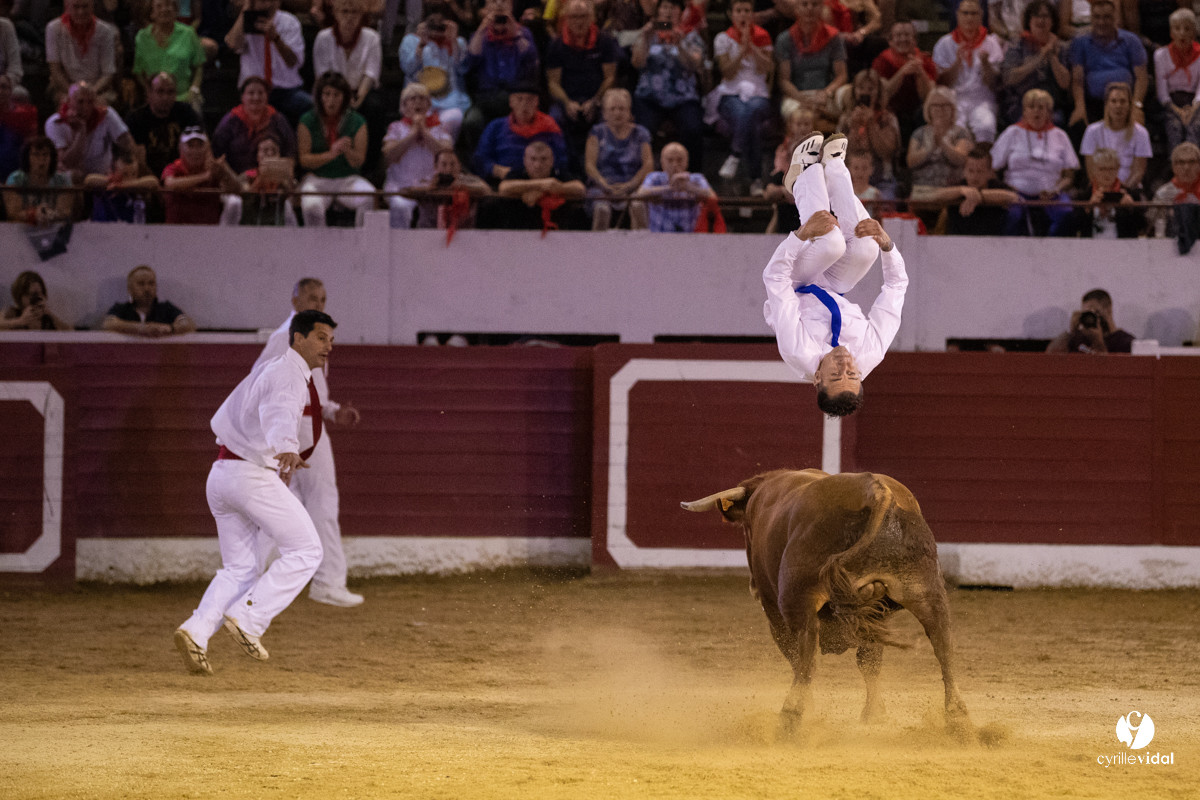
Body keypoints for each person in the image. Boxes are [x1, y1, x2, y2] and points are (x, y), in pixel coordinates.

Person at [173, 309, 338, 675]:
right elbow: (278, 411)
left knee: (241, 568)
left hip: (222, 474)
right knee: (308, 550)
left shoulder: (272, 368)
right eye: (321, 337)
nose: (329, 346)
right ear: (298, 338)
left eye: (331, 339)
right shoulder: (287, 373)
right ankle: (249, 619)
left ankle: (196, 631)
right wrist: (286, 447)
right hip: (250, 476)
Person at [763, 131, 907, 417]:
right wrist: (888, 245)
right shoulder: (870, 353)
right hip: (833, 287)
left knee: (831, 242)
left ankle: (804, 172)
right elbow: (896, 286)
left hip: (795, 283)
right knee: (868, 247)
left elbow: (775, 279)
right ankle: (835, 167)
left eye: (835, 375)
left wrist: (801, 234)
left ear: (817, 378)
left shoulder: (798, 351)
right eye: (853, 375)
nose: (845, 366)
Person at [251, 280, 363, 608]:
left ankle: (245, 578)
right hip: (296, 428)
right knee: (320, 501)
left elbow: (312, 392)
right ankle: (328, 581)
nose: (320, 303)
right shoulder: (284, 338)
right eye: (313, 298)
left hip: (302, 424)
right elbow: (261, 385)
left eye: (324, 299)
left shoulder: (309, 337)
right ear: (295, 299)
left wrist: (332, 412)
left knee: (283, 507)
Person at [991, 88, 1079, 236]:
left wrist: (1056, 189)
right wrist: (1007, 189)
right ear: (1024, 111)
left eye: (1041, 107)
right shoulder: (1012, 132)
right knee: (1011, 216)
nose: (1036, 111)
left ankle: (1053, 253)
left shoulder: (1060, 135)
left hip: (1051, 194)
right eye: (1031, 107)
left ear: (1048, 112)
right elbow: (993, 168)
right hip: (1015, 193)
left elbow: (1069, 175)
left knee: (1066, 215)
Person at [545, 0, 620, 171]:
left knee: (611, 117)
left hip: (597, 97)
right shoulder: (556, 45)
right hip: (567, 98)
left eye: (583, 16)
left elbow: (610, 78)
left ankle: (606, 167)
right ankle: (564, 168)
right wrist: (566, 102)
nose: (579, 21)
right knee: (554, 119)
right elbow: (553, 82)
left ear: (592, 18)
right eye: (574, 17)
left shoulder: (605, 41)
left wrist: (595, 100)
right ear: (566, 19)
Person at [631, 0, 706, 169]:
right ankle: (643, 175)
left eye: (673, 8)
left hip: (683, 96)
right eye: (664, 7)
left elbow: (695, 66)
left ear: (680, 13)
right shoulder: (648, 33)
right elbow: (637, 63)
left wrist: (680, 46)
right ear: (657, 13)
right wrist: (644, 36)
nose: (668, 11)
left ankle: (694, 176)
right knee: (643, 130)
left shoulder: (691, 35)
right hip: (649, 96)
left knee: (693, 129)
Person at [708, 0, 773, 193]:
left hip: (758, 92)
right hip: (731, 92)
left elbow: (767, 69)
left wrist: (751, 47)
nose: (743, 15)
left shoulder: (762, 36)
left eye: (747, 11)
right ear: (731, 14)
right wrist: (741, 51)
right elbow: (727, 72)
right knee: (747, 115)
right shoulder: (722, 38)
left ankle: (735, 155)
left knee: (751, 110)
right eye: (739, 11)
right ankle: (756, 180)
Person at [297, 71, 375, 228]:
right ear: (319, 96)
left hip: (347, 178)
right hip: (318, 179)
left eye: (336, 95)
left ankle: (362, 246)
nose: (331, 100)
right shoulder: (307, 120)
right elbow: (305, 160)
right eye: (326, 94)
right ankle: (316, 248)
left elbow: (358, 161)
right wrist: (331, 154)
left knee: (369, 196)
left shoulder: (357, 121)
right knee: (311, 206)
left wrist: (347, 151)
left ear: (344, 97)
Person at [461, 0, 540, 154]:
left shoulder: (523, 33)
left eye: (504, 1)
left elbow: (531, 60)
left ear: (511, 6)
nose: (499, 5)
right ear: (486, 7)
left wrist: (515, 35)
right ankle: (479, 161)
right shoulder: (479, 34)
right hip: (486, 97)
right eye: (493, 1)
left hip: (516, 97)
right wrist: (483, 28)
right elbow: (470, 60)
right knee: (472, 121)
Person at [312, 0, 384, 167]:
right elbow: (323, 75)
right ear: (336, 14)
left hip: (361, 90)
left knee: (375, 107)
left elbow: (371, 74)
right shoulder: (324, 38)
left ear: (361, 15)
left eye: (354, 12)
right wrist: (340, 97)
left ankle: (369, 166)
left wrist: (357, 99)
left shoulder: (371, 38)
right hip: (332, 89)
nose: (349, 17)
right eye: (345, 12)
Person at [1067, 0, 1148, 136]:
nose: (1101, 22)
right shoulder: (1080, 43)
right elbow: (1077, 80)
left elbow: (1141, 77)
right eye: (1097, 17)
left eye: (1106, 17)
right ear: (1091, 18)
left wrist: (1136, 106)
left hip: (1125, 102)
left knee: (1138, 125)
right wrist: (1079, 107)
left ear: (1115, 17)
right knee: (1077, 123)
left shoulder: (1131, 40)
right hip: (1093, 102)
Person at [224, 0, 311, 126]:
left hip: (286, 90)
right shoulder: (245, 20)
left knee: (311, 107)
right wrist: (246, 9)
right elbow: (232, 44)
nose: (264, 4)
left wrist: (276, 39)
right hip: (255, 91)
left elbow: (293, 62)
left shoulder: (289, 22)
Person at [382, 82, 454, 228]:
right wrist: (413, 134)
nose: (418, 102)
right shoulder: (396, 127)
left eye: (422, 99)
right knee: (401, 206)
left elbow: (446, 154)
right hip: (400, 186)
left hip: (432, 188)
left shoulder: (440, 127)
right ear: (404, 105)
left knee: (434, 210)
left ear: (428, 105)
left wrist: (425, 132)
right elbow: (390, 155)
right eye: (412, 99)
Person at [932, 0, 1004, 144]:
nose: (969, 18)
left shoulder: (991, 43)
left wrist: (986, 64)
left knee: (986, 125)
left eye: (973, 13)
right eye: (965, 13)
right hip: (954, 100)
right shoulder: (945, 43)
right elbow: (941, 83)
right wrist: (957, 63)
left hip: (982, 99)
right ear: (957, 15)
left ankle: (982, 165)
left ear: (981, 16)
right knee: (956, 128)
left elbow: (995, 85)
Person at [397, 4, 470, 140]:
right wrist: (421, 45)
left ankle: (443, 155)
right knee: (420, 120)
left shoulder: (458, 42)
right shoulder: (411, 41)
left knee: (453, 118)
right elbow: (408, 70)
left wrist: (453, 42)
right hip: (420, 99)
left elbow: (463, 70)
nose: (436, 31)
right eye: (432, 26)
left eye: (441, 27)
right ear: (423, 25)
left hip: (450, 99)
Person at [584, 87, 653, 229]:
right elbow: (589, 165)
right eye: (612, 109)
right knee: (602, 208)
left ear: (629, 112)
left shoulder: (641, 133)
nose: (617, 113)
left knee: (638, 205)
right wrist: (604, 184)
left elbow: (648, 165)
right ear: (604, 113)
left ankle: (643, 248)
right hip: (603, 186)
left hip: (634, 186)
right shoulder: (597, 132)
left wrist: (630, 185)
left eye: (622, 109)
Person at [474, 85, 569, 183]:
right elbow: (481, 159)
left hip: (545, 184)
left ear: (537, 102)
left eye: (530, 100)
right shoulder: (495, 127)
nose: (524, 104)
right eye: (519, 99)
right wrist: (497, 170)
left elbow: (562, 160)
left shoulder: (551, 127)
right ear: (511, 102)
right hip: (505, 185)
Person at [775, 0, 846, 130]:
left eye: (815, 4)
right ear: (796, 9)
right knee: (802, 117)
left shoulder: (834, 37)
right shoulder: (784, 39)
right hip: (796, 95)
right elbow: (784, 80)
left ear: (822, 8)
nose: (810, 9)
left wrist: (826, 93)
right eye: (804, 4)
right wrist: (802, 99)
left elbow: (841, 75)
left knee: (847, 97)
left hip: (825, 94)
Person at [998, 1, 1070, 129]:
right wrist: (1040, 56)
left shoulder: (1062, 47)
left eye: (1045, 16)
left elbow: (1065, 83)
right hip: (1021, 103)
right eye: (1036, 16)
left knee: (1056, 120)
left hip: (1051, 105)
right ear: (1029, 21)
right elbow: (1009, 78)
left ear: (1052, 21)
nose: (1041, 20)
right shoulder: (1017, 45)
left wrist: (1052, 56)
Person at [44, 81, 133, 184]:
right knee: (74, 175)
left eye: (90, 102)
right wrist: (81, 132)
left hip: (102, 178)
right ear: (69, 102)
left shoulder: (106, 115)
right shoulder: (55, 123)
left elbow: (127, 143)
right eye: (80, 102)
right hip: (71, 179)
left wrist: (121, 161)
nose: (85, 107)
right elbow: (67, 162)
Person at [491, 139, 587, 230]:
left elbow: (580, 189)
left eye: (544, 159)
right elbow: (503, 188)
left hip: (558, 232)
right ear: (524, 160)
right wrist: (542, 184)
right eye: (533, 159)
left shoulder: (558, 174)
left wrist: (546, 191)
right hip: (517, 231)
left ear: (552, 160)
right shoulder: (517, 173)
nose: (538, 165)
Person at [125, 72, 203, 184]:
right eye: (160, 92)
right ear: (149, 93)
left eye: (170, 92)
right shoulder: (136, 119)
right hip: (150, 181)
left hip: (183, 177)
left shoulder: (186, 112)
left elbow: (203, 147)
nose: (165, 97)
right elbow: (139, 162)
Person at [212, 76, 298, 175]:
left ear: (267, 96)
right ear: (242, 97)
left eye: (261, 93)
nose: (256, 97)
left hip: (273, 177)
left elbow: (291, 151)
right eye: (251, 93)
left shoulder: (278, 119)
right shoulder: (230, 121)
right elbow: (217, 154)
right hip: (237, 180)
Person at [835, 68, 899, 197]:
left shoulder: (888, 118)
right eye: (861, 88)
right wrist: (853, 127)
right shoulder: (846, 119)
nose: (865, 92)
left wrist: (872, 125)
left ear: (878, 92)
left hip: (881, 180)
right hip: (850, 179)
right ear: (854, 91)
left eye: (871, 89)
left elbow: (887, 152)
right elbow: (839, 154)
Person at [161, 126, 244, 225]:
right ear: (180, 148)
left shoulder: (215, 168)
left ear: (208, 148)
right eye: (190, 146)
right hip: (176, 232)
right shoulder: (173, 168)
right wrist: (205, 176)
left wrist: (224, 171)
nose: (195, 151)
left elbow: (238, 189)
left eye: (200, 145)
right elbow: (170, 184)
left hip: (209, 233)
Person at [133, 0, 206, 111]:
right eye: (159, 6)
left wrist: (194, 88)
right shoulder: (142, 37)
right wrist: (150, 93)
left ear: (176, 11)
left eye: (168, 5)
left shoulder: (189, 33)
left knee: (194, 108)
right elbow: (139, 72)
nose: (164, 9)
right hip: (154, 97)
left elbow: (199, 65)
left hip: (184, 96)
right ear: (151, 13)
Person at [871, 21, 936, 142]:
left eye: (907, 35)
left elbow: (930, 96)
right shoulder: (883, 60)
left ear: (915, 40)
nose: (903, 39)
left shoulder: (925, 60)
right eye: (898, 35)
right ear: (890, 40)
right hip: (892, 110)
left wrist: (920, 72)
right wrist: (902, 71)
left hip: (918, 112)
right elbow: (884, 94)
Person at [1080, 82, 1152, 191]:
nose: (1118, 106)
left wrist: (1122, 191)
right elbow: (1091, 170)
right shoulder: (1092, 131)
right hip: (1099, 189)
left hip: (1129, 189)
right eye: (1113, 101)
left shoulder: (1141, 133)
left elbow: (1138, 171)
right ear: (1107, 104)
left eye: (1123, 101)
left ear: (1129, 104)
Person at [907, 86, 974, 202]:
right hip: (923, 189)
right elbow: (911, 162)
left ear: (952, 108)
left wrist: (943, 143)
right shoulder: (919, 133)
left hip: (952, 190)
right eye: (935, 105)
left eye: (945, 105)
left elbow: (961, 159)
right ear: (928, 108)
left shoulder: (961, 133)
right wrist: (929, 148)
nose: (940, 109)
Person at [44, 0, 117, 105]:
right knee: (68, 107)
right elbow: (55, 71)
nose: (81, 12)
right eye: (76, 7)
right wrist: (74, 93)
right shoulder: (53, 29)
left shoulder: (106, 31)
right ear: (67, 6)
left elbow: (108, 73)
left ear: (92, 6)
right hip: (65, 87)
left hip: (97, 88)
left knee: (99, 106)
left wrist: (91, 92)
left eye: (85, 7)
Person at [632, 140, 714, 231]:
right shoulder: (654, 177)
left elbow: (712, 196)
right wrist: (670, 188)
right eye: (670, 160)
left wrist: (687, 187)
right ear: (662, 163)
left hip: (690, 238)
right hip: (658, 237)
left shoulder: (696, 178)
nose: (675, 164)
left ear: (686, 162)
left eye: (679, 160)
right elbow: (640, 193)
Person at [938, 144, 1019, 235]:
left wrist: (978, 195)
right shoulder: (957, 186)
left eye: (980, 171)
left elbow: (1013, 196)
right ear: (964, 171)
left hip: (993, 243)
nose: (975, 176)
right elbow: (937, 194)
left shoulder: (997, 186)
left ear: (989, 172)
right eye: (970, 171)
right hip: (958, 243)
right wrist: (961, 190)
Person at [407, 148, 493, 229]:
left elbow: (487, 189)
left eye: (453, 164)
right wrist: (430, 188)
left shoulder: (469, 180)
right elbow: (409, 190)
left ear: (459, 165)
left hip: (464, 233)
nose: (449, 169)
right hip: (427, 232)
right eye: (444, 164)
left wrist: (464, 187)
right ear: (436, 166)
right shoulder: (426, 181)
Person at [1069, 146, 1144, 239]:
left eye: (1111, 169)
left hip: (1123, 248)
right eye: (1102, 169)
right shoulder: (1082, 196)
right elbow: (1073, 228)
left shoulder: (1131, 194)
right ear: (1094, 170)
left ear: (1117, 169)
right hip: (1090, 248)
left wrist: (1131, 208)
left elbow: (1142, 227)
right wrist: (1088, 208)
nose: (1107, 173)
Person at [102, 264, 197, 336]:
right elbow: (108, 324)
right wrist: (141, 328)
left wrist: (169, 328)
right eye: (141, 284)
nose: (147, 289)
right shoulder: (121, 308)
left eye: (151, 283)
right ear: (130, 289)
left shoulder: (166, 308)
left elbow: (188, 324)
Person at [1154, 8, 1200, 155]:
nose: (1182, 33)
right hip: (1170, 104)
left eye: (1187, 29)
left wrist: (1193, 109)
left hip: (1195, 103)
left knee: (1195, 126)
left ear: (1194, 32)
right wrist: (1178, 112)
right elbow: (1162, 92)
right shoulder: (1160, 55)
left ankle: (1194, 169)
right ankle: (1176, 168)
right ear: (1171, 32)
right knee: (1174, 126)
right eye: (1177, 28)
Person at [3, 135, 73, 226]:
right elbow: (13, 213)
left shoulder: (62, 180)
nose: (41, 160)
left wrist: (49, 215)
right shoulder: (16, 179)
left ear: (52, 158)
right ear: (27, 157)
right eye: (36, 154)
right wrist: (33, 215)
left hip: (55, 229)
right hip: (22, 230)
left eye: (45, 154)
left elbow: (65, 211)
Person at [1045, 288, 1135, 353]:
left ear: (1108, 310)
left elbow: (1109, 372)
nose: (1091, 317)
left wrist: (1098, 342)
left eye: (1095, 311)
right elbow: (1050, 358)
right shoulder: (1079, 338)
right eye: (1086, 313)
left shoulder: (1125, 342)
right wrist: (1071, 333)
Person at [236, 132, 298, 226]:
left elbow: (296, 200)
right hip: (251, 222)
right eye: (265, 150)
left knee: (288, 206)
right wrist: (260, 180)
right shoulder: (248, 175)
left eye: (274, 151)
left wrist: (286, 181)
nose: (270, 154)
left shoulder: (285, 176)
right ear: (257, 156)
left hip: (278, 222)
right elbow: (243, 196)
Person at [83, 149, 160, 222]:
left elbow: (154, 182)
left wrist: (124, 185)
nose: (130, 178)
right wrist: (112, 181)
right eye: (125, 174)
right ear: (112, 171)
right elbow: (89, 180)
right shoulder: (107, 187)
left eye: (133, 174)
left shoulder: (138, 188)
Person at [1151, 141, 1200, 250]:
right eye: (1181, 162)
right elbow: (1153, 224)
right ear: (1173, 167)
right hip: (1170, 246)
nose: (1186, 167)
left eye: (1192, 162)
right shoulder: (1163, 193)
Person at [1, 270, 71, 330]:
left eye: (40, 294)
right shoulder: (13, 313)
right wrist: (19, 321)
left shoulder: (48, 318)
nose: (37, 299)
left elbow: (71, 333)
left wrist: (50, 315)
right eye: (31, 294)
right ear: (21, 296)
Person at [0, 73, 37, 185]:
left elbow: (31, 147)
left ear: (11, 91)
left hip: (18, 175)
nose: (0, 91)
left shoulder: (26, 114)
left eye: (3, 87)